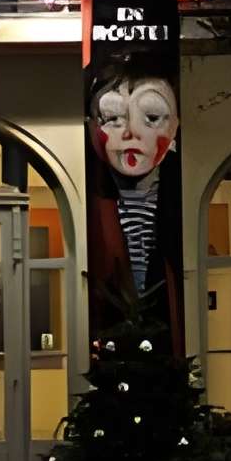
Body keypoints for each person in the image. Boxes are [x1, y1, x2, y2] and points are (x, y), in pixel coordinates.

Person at [83, 70, 185, 345]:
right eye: (113, 119)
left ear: (174, 127)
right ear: (94, 128)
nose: (131, 132)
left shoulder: (180, 202)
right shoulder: (88, 206)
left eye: (151, 118)